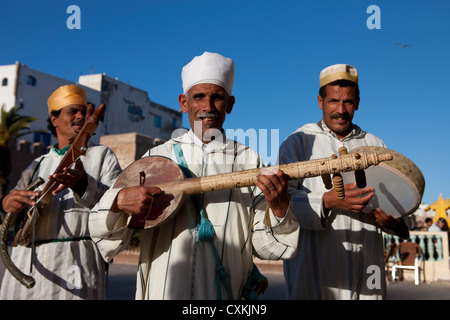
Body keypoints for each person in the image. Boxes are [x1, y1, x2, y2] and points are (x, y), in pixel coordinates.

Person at [89, 52, 299, 300]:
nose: (208, 107)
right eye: (199, 97)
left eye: (217, 98)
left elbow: (269, 249)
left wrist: (279, 208)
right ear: (183, 102)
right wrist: (119, 203)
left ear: (230, 104)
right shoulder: (154, 158)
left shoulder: (249, 160)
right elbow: (107, 239)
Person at [279, 64, 409, 300]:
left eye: (348, 102)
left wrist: (393, 220)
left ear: (358, 102)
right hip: (314, 270)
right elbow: (280, 205)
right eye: (333, 101)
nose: (341, 110)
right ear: (320, 101)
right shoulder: (298, 142)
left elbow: (394, 197)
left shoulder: (374, 144)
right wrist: (327, 201)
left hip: (366, 268)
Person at [0, 85, 122, 299]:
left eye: (83, 111)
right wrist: (6, 204)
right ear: (54, 118)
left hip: (76, 264)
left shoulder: (102, 156)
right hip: (27, 264)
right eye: (72, 111)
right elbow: (11, 217)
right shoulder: (36, 165)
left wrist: (83, 185)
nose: (80, 116)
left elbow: (119, 206)